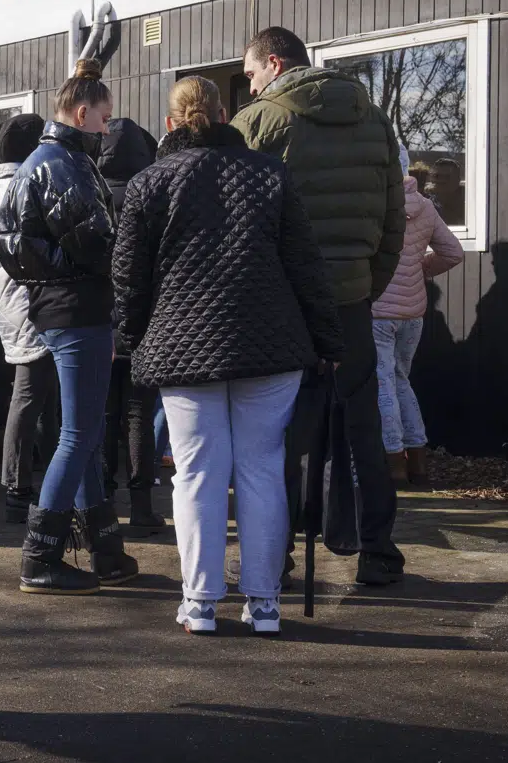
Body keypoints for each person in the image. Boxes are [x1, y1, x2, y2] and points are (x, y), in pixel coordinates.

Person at [113, 75, 342, 636]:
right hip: (270, 344)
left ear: (170, 123)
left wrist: (131, 338)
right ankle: (263, 604)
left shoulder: (150, 183)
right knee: (263, 470)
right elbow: (306, 267)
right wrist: (329, 342)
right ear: (225, 115)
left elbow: (129, 276)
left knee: (195, 474)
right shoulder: (270, 175)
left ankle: (199, 603)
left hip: (182, 346)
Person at [232, 25, 408, 587]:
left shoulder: (260, 122)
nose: (251, 85)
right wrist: (364, 286)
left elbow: (237, 219)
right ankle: (378, 551)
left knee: (276, 432)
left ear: (275, 64)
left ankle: (272, 555)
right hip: (352, 301)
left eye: (252, 74)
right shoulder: (375, 118)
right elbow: (393, 220)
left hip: (284, 304)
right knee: (362, 426)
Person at [0, 59, 137, 595]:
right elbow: (99, 243)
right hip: (75, 307)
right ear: (83, 114)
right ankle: (40, 557)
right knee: (78, 433)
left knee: (82, 431)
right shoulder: (65, 165)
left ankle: (104, 548)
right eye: (104, 118)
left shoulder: (46, 161)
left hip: (59, 306)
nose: (108, 128)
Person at [0, 113, 53, 524]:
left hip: (8, 303)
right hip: (31, 302)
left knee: (32, 396)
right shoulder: (27, 186)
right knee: (30, 397)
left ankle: (23, 486)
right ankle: (18, 489)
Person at [372, 146, 463, 486]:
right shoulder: (425, 206)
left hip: (379, 312)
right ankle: (418, 463)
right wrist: (419, 270)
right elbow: (453, 252)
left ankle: (394, 464)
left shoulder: (376, 208)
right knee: (401, 381)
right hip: (413, 313)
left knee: (382, 386)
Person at [96, 117, 166, 537]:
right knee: (140, 413)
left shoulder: (93, 191)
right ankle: (142, 504)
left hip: (101, 321)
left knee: (104, 413)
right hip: (145, 321)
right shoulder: (154, 195)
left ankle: (104, 499)